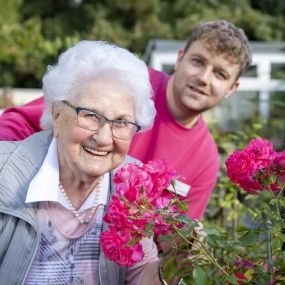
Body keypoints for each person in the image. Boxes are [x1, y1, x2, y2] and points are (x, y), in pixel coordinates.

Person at [0, 20, 252, 220]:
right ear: (180, 57)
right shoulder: (125, 84)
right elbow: (15, 123)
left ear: (232, 87)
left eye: (220, 74)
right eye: (198, 61)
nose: (204, 78)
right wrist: (13, 182)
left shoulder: (204, 158)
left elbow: (172, 241)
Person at [0, 40, 164, 284]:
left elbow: (138, 276)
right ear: (57, 115)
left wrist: (170, 266)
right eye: (90, 115)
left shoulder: (134, 185)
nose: (103, 137)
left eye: (121, 122)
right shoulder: (4, 174)